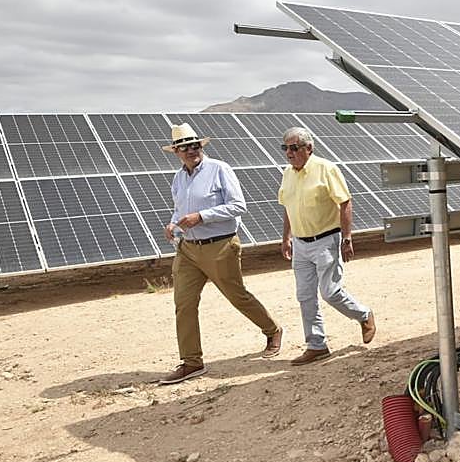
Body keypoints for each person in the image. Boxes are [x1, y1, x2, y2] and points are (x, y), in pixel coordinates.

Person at [159, 122, 284, 384]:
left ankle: (272, 330)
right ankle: (192, 362)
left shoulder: (220, 169)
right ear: (176, 153)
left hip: (220, 246)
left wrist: (202, 217)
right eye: (184, 148)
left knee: (237, 296)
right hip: (188, 250)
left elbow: (238, 206)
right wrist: (173, 224)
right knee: (183, 303)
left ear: (200, 147)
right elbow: (179, 210)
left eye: (194, 145)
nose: (190, 150)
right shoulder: (179, 178)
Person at [277, 126, 376, 365]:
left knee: (330, 292)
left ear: (308, 148)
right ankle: (317, 345)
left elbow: (344, 202)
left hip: (326, 240)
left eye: (294, 148)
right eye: (285, 148)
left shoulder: (326, 169)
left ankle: (364, 315)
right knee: (304, 295)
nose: (289, 153)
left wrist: (347, 237)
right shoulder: (287, 174)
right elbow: (288, 208)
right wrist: (286, 237)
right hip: (300, 244)